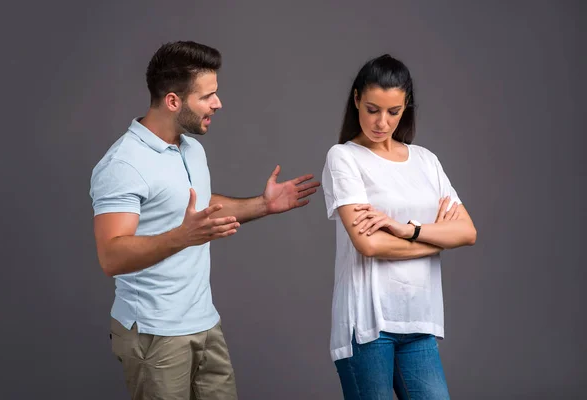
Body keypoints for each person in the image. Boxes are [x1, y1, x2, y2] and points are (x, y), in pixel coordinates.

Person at [89, 40, 320, 400]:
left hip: (204, 323)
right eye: (207, 96)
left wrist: (263, 205)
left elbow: (198, 208)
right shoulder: (123, 164)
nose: (218, 103)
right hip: (155, 332)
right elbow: (111, 256)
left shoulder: (191, 148)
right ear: (172, 101)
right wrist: (183, 236)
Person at [321, 54, 477, 399]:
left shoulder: (425, 161)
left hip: (419, 319)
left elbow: (467, 232)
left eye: (394, 111)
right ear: (357, 98)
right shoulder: (343, 158)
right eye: (373, 109)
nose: (382, 122)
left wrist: (408, 230)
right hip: (366, 324)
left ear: (406, 107)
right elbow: (369, 245)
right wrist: (436, 240)